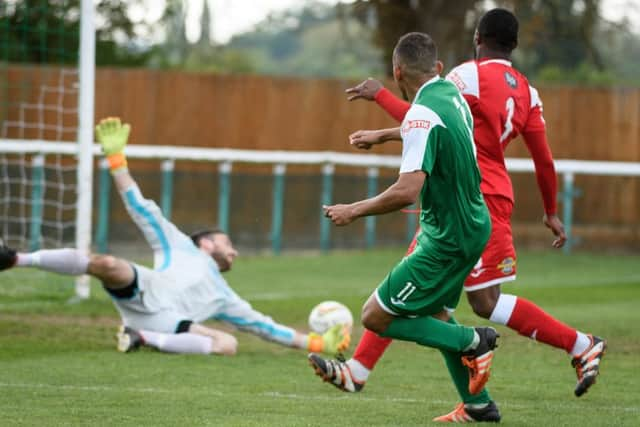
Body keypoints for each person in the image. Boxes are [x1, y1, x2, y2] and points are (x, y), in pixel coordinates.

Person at [310, 8, 606, 416]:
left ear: (478, 39)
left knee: (462, 305)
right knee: (440, 305)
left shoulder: (464, 78)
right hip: (485, 202)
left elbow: (422, 125)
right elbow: (542, 158)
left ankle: (557, 343)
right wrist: (551, 209)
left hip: (459, 209)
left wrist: (379, 101)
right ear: (514, 45)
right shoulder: (526, 92)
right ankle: (474, 401)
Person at [0, 117, 350, 357]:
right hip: (147, 289)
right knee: (106, 263)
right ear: (207, 243)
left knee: (227, 345)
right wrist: (117, 160)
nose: (236, 252)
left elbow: (267, 328)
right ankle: (15, 258)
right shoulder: (179, 245)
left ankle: (141, 338)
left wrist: (317, 344)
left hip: (167, 324)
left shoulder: (225, 297)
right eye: (228, 244)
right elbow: (142, 208)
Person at [311, 32, 502, 422]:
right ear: (437, 67)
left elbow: (407, 191)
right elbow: (432, 128)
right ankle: (479, 405)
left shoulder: (420, 115)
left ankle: (474, 342)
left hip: (446, 238)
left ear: (396, 71)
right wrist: (382, 135)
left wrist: (353, 210)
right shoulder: (452, 96)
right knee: (439, 317)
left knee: (375, 316)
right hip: (474, 225)